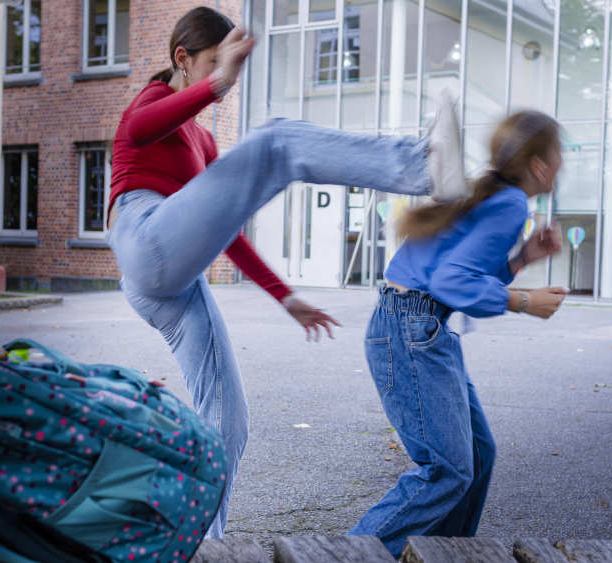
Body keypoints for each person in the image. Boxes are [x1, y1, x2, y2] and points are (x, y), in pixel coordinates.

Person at [106, 7, 469, 537]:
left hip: (173, 281)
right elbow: (139, 131)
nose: (225, 80)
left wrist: (285, 296)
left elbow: (223, 228)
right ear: (182, 58)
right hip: (143, 238)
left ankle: (204, 543)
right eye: (214, 64)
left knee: (229, 418)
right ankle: (423, 165)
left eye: (229, 69)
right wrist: (219, 81)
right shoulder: (152, 101)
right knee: (277, 139)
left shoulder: (202, 141)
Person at [349, 110, 569, 556]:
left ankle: (440, 553)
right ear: (540, 166)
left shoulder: (494, 195)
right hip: (412, 327)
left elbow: (456, 272)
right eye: (560, 153)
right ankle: (344, 555)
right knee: (448, 470)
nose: (564, 162)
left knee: (478, 455)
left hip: (414, 323)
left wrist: (521, 259)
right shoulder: (510, 203)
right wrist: (524, 301)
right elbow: (452, 282)